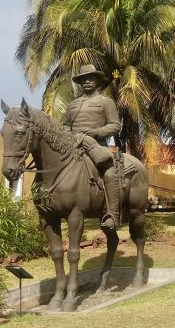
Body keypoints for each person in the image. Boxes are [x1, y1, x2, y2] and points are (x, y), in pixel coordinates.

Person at [63, 64, 121, 230]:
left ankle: (112, 214)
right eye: (83, 79)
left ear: (97, 81)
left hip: (97, 145)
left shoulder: (105, 102)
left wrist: (96, 132)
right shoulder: (72, 104)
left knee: (109, 172)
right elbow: (65, 126)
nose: (87, 81)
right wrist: (68, 137)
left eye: (90, 78)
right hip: (73, 145)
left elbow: (115, 126)